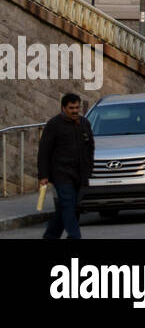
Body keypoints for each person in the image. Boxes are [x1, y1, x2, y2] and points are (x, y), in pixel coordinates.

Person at [37, 92, 95, 240]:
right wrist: (43, 175)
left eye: (77, 107)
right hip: (61, 174)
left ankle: (51, 236)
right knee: (68, 205)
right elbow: (44, 151)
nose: (75, 111)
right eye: (71, 108)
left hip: (80, 174)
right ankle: (75, 236)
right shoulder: (54, 125)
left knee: (71, 208)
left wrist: (89, 169)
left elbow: (90, 148)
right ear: (63, 108)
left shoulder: (84, 123)